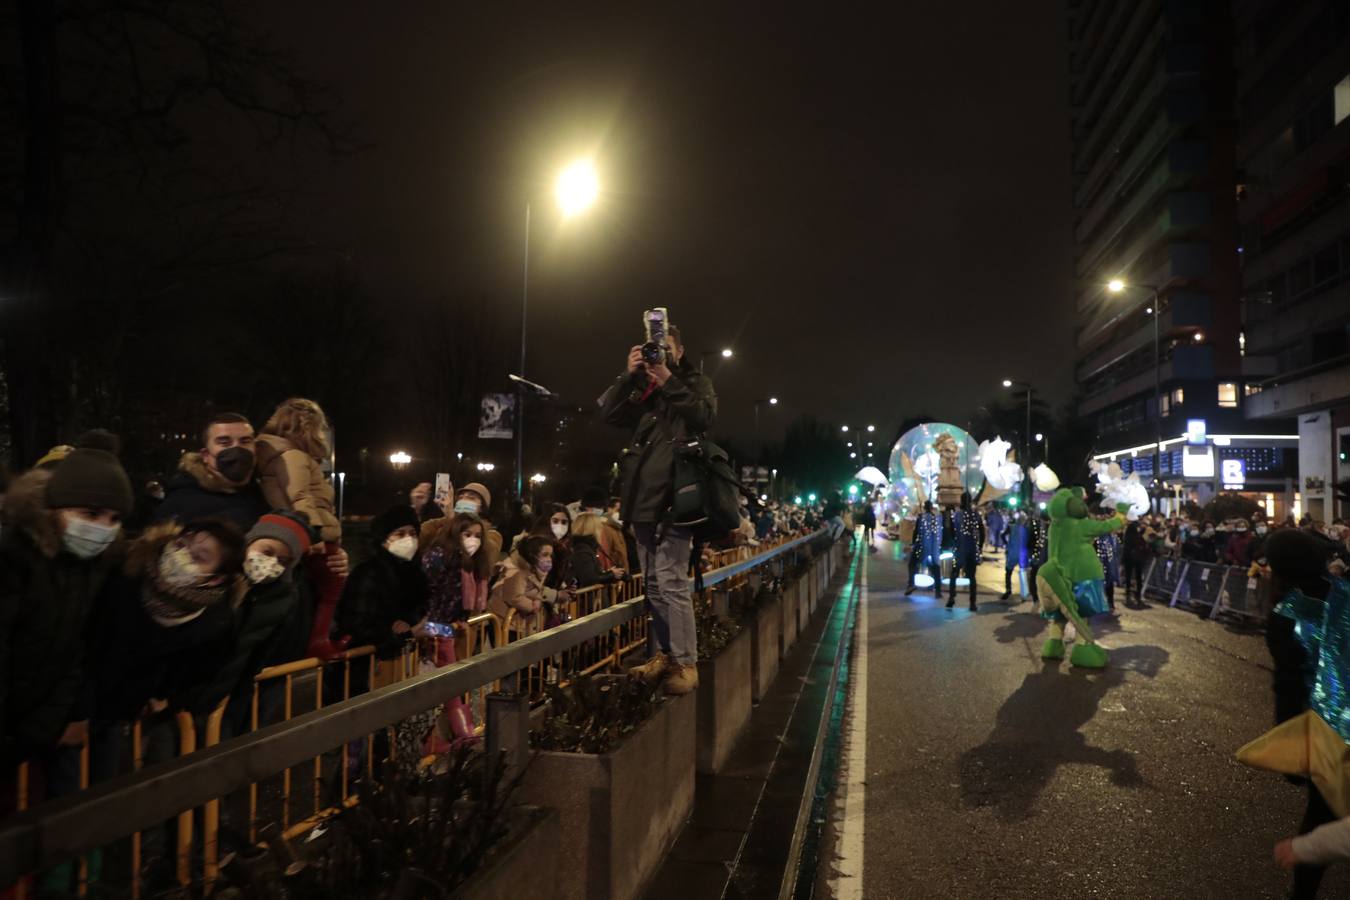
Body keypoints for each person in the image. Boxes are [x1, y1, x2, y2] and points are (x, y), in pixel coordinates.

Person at [0, 433, 133, 784]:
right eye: (90, 513)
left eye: (114, 518)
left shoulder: (87, 566)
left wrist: (36, 730)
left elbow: (73, 651)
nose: (102, 527)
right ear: (56, 507)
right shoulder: (13, 558)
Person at [600, 322, 716, 696]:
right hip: (641, 502)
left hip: (675, 500)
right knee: (652, 584)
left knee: (671, 582)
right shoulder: (642, 388)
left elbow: (704, 416)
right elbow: (608, 415)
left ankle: (686, 662)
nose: (658, 355)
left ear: (679, 352)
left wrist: (668, 380)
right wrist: (628, 374)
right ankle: (666, 654)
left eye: (665, 348)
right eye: (653, 349)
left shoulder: (694, 383)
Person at [203, 511, 314, 737]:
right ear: (249, 542)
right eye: (267, 552)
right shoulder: (214, 577)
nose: (271, 563)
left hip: (227, 701)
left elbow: (259, 655)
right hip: (184, 696)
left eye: (283, 561)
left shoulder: (281, 599)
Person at [254, 398, 349, 661]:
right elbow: (300, 496)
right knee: (332, 587)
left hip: (304, 532)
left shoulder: (279, 454)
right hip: (312, 534)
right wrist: (314, 533)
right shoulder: (293, 456)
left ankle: (319, 638)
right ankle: (318, 640)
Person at [335, 506, 428, 693]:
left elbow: (424, 613)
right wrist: (401, 633)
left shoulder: (417, 573)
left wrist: (410, 623)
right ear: (383, 539)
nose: (408, 539)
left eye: (412, 533)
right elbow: (357, 624)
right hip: (363, 676)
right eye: (400, 534)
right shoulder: (367, 574)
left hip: (403, 670)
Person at [153, 412, 268, 532]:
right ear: (206, 455)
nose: (237, 448)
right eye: (224, 443)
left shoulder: (264, 492)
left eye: (245, 441)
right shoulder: (181, 504)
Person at [943, 492, 984, 611]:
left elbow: (950, 530)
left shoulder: (956, 515)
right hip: (971, 549)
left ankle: (951, 597)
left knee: (954, 574)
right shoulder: (976, 516)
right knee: (972, 577)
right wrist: (979, 546)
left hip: (959, 549)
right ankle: (972, 603)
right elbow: (982, 532)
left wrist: (953, 542)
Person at [571, 512, 628, 588]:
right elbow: (588, 579)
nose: (601, 531)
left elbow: (592, 573)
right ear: (593, 529)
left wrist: (608, 573)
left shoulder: (586, 547)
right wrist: (611, 574)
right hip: (587, 598)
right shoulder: (582, 550)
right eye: (599, 527)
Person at [905, 500, 942, 596]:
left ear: (924, 507)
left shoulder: (921, 518)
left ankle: (911, 584)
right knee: (935, 566)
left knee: (912, 564)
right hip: (933, 547)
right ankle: (938, 590)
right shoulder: (936, 519)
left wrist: (913, 544)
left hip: (922, 546)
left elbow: (916, 532)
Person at [1001, 509, 1030, 601]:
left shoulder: (1011, 527)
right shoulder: (1027, 530)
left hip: (1012, 553)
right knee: (1023, 574)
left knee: (1008, 572)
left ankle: (1008, 590)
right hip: (1022, 555)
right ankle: (1024, 594)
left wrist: (1007, 543)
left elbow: (1002, 535)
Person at [1121, 518, 1150, 603]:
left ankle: (1128, 593)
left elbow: (1126, 549)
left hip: (1129, 559)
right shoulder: (1138, 536)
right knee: (1138, 577)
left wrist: (1123, 559)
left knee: (1128, 577)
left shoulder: (1128, 537)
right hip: (1138, 559)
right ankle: (1138, 594)